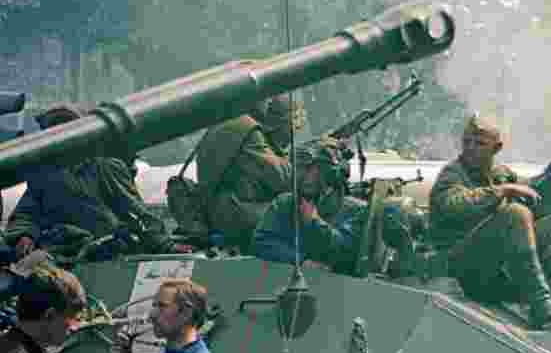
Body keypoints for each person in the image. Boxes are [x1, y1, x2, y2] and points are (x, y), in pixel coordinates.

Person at [429, 113, 551, 328]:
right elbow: (453, 203)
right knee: (516, 214)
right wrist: (502, 191)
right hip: (463, 268)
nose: (470, 148)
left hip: (497, 266)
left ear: (496, 148)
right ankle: (541, 304)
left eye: (479, 144)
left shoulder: (500, 174)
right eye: (467, 142)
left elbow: (530, 189)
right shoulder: (452, 174)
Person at [5, 104, 183, 261]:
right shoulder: (45, 175)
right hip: (60, 252)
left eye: (66, 127)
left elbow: (136, 213)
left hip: (105, 254)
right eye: (54, 129)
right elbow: (26, 214)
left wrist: (164, 246)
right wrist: (24, 236)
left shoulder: (105, 167)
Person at [252, 138, 420, 275]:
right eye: (301, 168)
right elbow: (261, 243)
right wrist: (300, 261)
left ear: (330, 174)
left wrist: (314, 222)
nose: (304, 176)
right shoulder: (285, 204)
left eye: (313, 170)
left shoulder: (356, 211)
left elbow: (344, 253)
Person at [195, 94, 302, 250]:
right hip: (234, 213)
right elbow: (283, 178)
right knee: (300, 214)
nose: (293, 133)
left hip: (219, 210)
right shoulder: (247, 130)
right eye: (293, 127)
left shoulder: (226, 124)